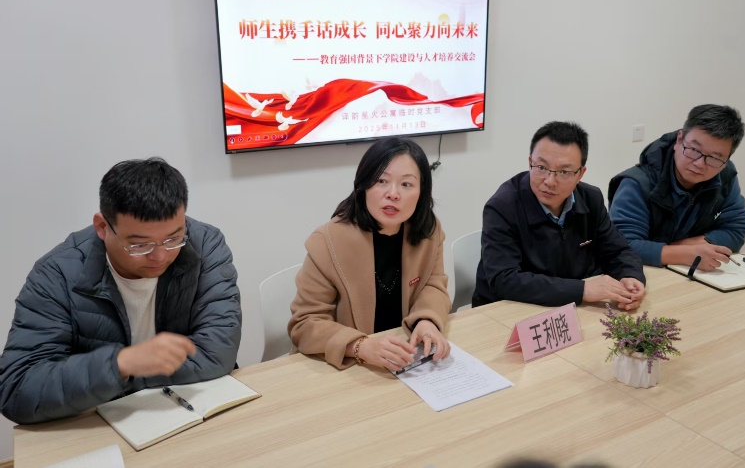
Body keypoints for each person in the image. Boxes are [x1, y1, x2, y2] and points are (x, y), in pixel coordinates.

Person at [0, 158, 242, 424]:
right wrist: (119, 365)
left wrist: (125, 377)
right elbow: (17, 389)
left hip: (190, 411)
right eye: (140, 245)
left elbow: (217, 353)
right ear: (102, 227)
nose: (160, 256)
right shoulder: (57, 275)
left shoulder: (204, 244)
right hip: (103, 425)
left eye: (173, 239)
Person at [288, 137, 451, 371]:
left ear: (421, 191)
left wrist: (426, 321)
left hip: (405, 359)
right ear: (363, 185)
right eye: (381, 181)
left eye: (406, 184)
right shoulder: (328, 241)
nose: (393, 194)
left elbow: (433, 285)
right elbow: (304, 324)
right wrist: (360, 346)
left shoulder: (428, 231)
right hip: (347, 368)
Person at [472, 121, 646, 309]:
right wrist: (582, 290)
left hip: (568, 308)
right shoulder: (502, 206)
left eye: (564, 172)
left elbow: (618, 251)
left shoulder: (591, 199)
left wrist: (631, 275)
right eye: (541, 167)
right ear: (530, 162)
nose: (550, 181)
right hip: (508, 310)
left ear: (580, 174)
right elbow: (504, 279)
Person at [608, 104, 745, 272]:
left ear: (726, 160)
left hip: (693, 273)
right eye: (694, 150)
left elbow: (736, 231)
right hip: (641, 274)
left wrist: (680, 249)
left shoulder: (725, 176)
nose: (699, 164)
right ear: (679, 140)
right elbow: (624, 246)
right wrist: (687, 254)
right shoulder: (637, 182)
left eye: (714, 158)